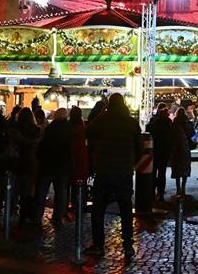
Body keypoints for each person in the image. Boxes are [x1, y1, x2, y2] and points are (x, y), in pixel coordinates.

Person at [85, 93, 141, 263]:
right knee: (125, 209)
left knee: (98, 210)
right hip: (124, 172)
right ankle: (128, 245)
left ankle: (98, 244)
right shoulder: (131, 122)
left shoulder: (103, 120)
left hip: (104, 170)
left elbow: (89, 132)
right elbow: (139, 147)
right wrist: (131, 163)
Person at [36, 108, 72, 227]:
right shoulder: (69, 129)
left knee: (42, 191)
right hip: (62, 166)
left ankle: (37, 216)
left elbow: (42, 146)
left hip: (48, 165)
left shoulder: (50, 128)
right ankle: (58, 218)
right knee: (61, 193)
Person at [10, 108, 41, 225]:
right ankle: (29, 213)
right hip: (32, 161)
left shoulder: (15, 129)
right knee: (30, 189)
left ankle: (20, 214)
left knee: (20, 188)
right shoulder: (36, 130)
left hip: (18, 160)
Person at [146, 103, 172, 201]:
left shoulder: (153, 123)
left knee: (153, 172)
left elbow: (148, 131)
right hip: (164, 151)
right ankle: (160, 193)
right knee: (162, 173)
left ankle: (152, 192)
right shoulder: (168, 123)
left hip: (154, 150)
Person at [69, 106, 89, 219]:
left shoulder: (68, 127)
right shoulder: (83, 128)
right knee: (82, 183)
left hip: (70, 157)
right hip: (82, 157)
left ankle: (71, 204)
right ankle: (81, 204)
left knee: (69, 183)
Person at [169, 108, 194, 196]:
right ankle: (183, 188)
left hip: (176, 147)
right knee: (185, 167)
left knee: (177, 167)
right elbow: (192, 133)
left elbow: (171, 135)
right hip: (185, 146)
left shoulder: (174, 123)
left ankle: (178, 189)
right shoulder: (187, 122)